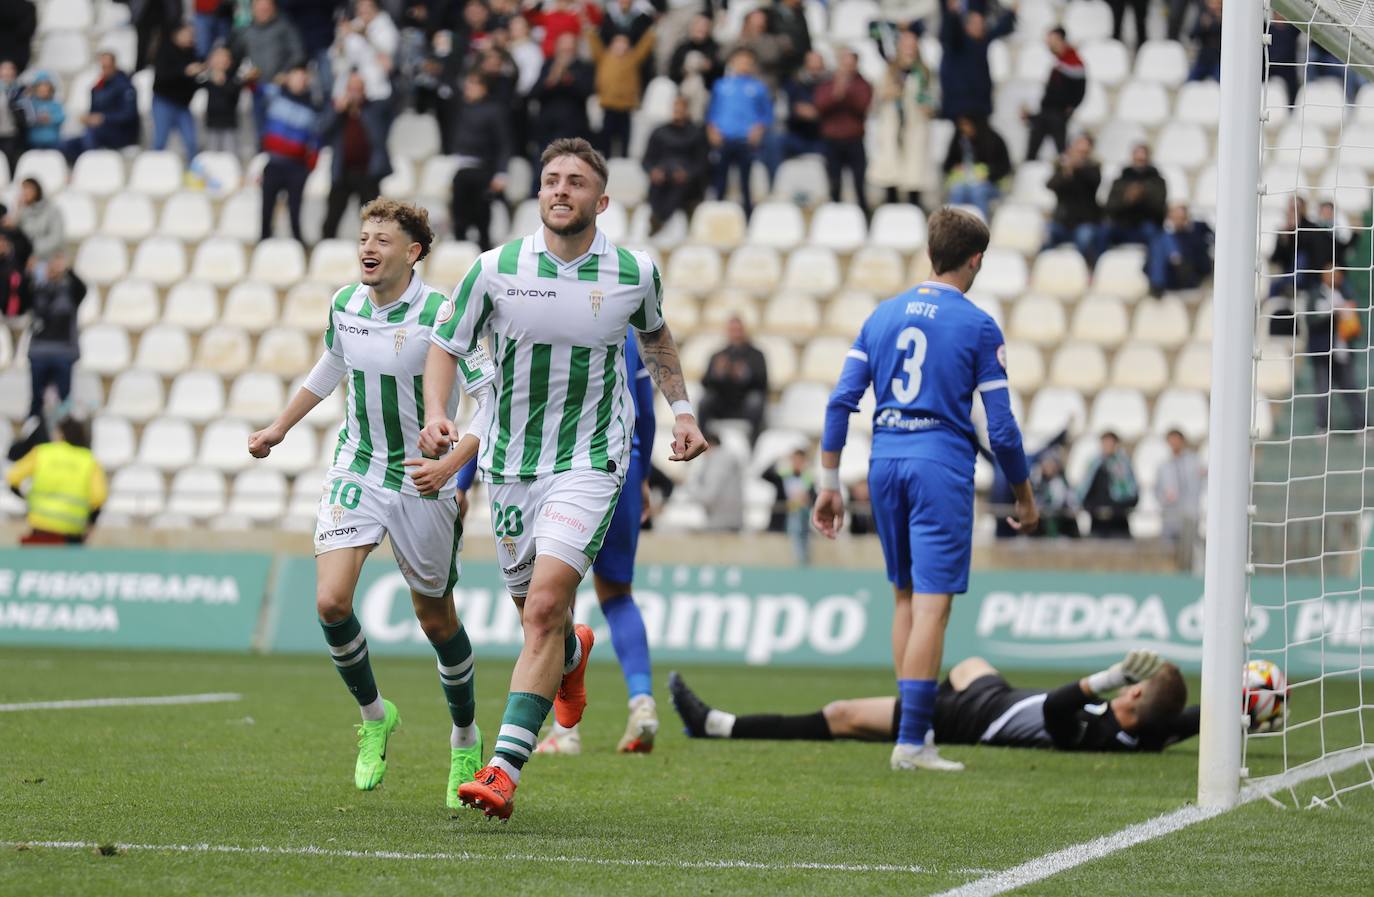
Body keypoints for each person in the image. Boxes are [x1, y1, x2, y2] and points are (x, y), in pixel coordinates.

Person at [421, 138, 706, 820]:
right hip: (510, 464)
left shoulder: (635, 271)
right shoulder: (495, 269)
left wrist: (684, 410)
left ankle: (502, 768)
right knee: (537, 617)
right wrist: (437, 414)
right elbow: (446, 344)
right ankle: (573, 660)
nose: (560, 189)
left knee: (546, 605)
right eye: (550, 179)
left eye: (576, 181)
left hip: (590, 460)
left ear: (600, 200)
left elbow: (657, 340)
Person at [248, 199, 497, 808]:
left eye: (382, 240)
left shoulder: (444, 313)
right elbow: (330, 365)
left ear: (412, 253)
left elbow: (489, 401)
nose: (368, 247)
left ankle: (465, 736)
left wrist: (452, 466)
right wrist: (279, 426)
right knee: (332, 602)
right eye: (363, 237)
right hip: (358, 467)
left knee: (436, 621)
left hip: (423, 479)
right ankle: (374, 716)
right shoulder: (345, 304)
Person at [813, 206, 1038, 773]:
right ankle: (912, 740)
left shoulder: (881, 317)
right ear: (976, 260)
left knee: (906, 599)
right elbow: (1003, 428)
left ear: (929, 253)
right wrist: (1025, 494)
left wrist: (828, 482)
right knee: (933, 609)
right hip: (939, 465)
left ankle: (917, 732)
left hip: (885, 460)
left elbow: (840, 402)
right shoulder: (979, 325)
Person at [669, 649, 1200, 752]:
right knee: (970, 663)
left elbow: (1058, 709)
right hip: (989, 693)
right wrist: (1250, 704)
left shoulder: (1095, 734)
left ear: (1132, 691)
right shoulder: (1152, 731)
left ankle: (717, 725)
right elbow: (1191, 718)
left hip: (966, 717)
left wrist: (1105, 675)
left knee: (841, 716)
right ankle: (915, 711)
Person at [535, 327, 662, 756]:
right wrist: (642, 476)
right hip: (625, 465)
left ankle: (564, 730)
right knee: (618, 595)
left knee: (554, 602)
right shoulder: (627, 324)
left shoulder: (547, 312)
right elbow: (645, 412)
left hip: (568, 470)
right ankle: (642, 703)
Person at [6, 417, 106, 546]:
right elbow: (98, 498)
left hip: (41, 529)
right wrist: (90, 524)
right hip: (72, 534)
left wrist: (26, 499)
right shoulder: (89, 461)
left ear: (61, 434)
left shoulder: (42, 452)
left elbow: (13, 477)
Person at [869, 28, 934, 208]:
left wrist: (926, 105)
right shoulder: (890, 71)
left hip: (915, 126)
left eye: (912, 45)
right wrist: (893, 91)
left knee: (914, 172)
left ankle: (914, 210)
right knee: (891, 172)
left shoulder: (924, 72)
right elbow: (879, 96)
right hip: (893, 125)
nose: (909, 49)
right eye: (905, 45)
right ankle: (891, 210)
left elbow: (932, 100)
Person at [320, 72, 391, 238]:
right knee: (331, 219)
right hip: (343, 171)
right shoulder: (337, 112)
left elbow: (393, 102)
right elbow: (321, 130)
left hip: (368, 173)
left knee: (374, 222)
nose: (354, 94)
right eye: (351, 89)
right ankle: (326, 248)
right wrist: (337, 111)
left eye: (358, 90)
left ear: (364, 91)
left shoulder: (373, 110)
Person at [707, 49, 773, 218]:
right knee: (720, 180)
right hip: (724, 139)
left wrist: (758, 129)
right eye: (740, 61)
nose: (744, 65)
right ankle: (717, 213)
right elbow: (712, 111)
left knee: (746, 182)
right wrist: (712, 129)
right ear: (733, 63)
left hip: (746, 140)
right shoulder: (721, 85)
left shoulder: (758, 87)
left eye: (747, 62)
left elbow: (766, 114)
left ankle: (747, 217)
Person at [259, 63, 320, 243]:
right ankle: (263, 243)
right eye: (296, 76)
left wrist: (310, 165)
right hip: (274, 163)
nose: (300, 81)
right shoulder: (275, 96)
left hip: (297, 167)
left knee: (295, 210)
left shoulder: (312, 107)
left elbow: (316, 139)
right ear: (288, 78)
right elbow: (254, 87)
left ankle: (298, 244)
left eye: (304, 77)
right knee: (266, 210)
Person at [449, 72, 510, 251]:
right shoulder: (461, 109)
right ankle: (460, 251)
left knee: (482, 217)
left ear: (483, 88)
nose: (468, 89)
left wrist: (501, 172)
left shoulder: (494, 110)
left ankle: (483, 252)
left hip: (483, 169)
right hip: (461, 168)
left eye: (473, 85)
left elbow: (504, 143)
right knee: (459, 217)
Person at [231, 0, 307, 143]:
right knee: (260, 128)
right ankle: (263, 157)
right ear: (253, 10)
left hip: (280, 87)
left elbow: (298, 53)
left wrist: (286, 73)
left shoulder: (284, 27)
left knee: (280, 130)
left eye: (266, 8)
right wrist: (244, 73)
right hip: (257, 88)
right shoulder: (246, 31)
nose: (263, 12)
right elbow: (235, 57)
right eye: (259, 8)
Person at [1305, 266, 1365, 436]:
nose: (1334, 278)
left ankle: (1361, 426)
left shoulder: (1346, 295)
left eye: (1337, 275)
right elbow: (1311, 319)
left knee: (1351, 389)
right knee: (1323, 390)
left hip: (1343, 350)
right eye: (1331, 274)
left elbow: (1356, 319)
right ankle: (1322, 427)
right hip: (1323, 352)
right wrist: (1332, 313)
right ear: (1323, 276)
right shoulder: (1315, 294)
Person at [25, 252, 84, 420]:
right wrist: (29, 272)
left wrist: (68, 271)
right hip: (39, 353)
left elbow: (82, 288)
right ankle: (34, 436)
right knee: (36, 401)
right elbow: (20, 296)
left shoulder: (70, 290)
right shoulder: (37, 289)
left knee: (64, 401)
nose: (51, 270)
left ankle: (64, 436)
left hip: (63, 353)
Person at [529, 32, 595, 184]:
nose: (566, 52)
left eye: (570, 48)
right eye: (563, 48)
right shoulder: (547, 65)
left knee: (572, 173)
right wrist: (551, 78)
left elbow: (586, 92)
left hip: (573, 131)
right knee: (541, 171)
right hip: (547, 130)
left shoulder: (584, 67)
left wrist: (568, 79)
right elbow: (534, 94)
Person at [815, 48, 873, 217]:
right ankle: (836, 217)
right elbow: (820, 106)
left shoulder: (862, 84)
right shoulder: (827, 84)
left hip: (854, 140)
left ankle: (863, 217)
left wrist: (846, 93)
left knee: (859, 184)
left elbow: (862, 106)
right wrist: (836, 94)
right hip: (832, 141)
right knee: (834, 183)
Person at [642, 94, 710, 234]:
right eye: (675, 108)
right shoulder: (659, 132)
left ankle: (659, 219)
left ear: (687, 110)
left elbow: (702, 163)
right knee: (658, 181)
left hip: (686, 182)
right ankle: (657, 217)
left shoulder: (696, 134)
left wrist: (688, 174)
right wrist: (653, 171)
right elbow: (647, 160)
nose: (677, 111)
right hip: (662, 177)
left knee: (678, 183)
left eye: (681, 108)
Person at [938, 0, 1016, 122]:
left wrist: (1013, 11)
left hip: (981, 105)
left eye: (981, 23)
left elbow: (1002, 28)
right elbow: (950, 29)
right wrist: (952, 12)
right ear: (967, 26)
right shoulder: (958, 43)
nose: (979, 26)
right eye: (975, 23)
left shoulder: (983, 41)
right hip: (960, 106)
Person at [586, 24, 656, 159]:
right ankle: (604, 161)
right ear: (612, 44)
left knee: (625, 139)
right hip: (608, 105)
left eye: (624, 43)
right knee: (606, 138)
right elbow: (595, 45)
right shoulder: (604, 57)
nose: (621, 46)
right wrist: (589, 31)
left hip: (626, 106)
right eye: (618, 42)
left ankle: (623, 163)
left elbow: (643, 47)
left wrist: (651, 33)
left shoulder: (632, 59)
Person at [698, 315, 769, 446]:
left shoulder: (756, 354)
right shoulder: (718, 355)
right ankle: (702, 441)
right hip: (723, 405)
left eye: (738, 330)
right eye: (732, 330)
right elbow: (705, 382)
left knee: (756, 401)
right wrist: (717, 374)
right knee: (705, 401)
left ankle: (753, 444)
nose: (736, 334)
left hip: (744, 405)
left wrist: (746, 375)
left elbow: (763, 383)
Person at [59, 52, 139, 164]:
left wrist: (104, 118)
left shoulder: (125, 86)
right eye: (102, 67)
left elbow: (129, 114)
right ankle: (77, 171)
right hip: (100, 132)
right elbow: (94, 113)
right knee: (66, 145)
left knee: (91, 134)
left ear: (115, 65)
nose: (105, 70)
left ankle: (92, 167)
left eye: (108, 66)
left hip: (121, 133)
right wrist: (88, 119)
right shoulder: (97, 87)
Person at [764, 49, 826, 181]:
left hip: (822, 136)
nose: (815, 67)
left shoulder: (830, 85)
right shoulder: (793, 84)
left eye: (817, 63)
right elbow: (783, 111)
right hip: (796, 135)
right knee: (774, 141)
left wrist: (818, 113)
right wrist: (796, 112)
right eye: (811, 63)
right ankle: (774, 184)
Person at [1024, 28, 1085, 162]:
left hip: (1059, 114)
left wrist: (1071, 107)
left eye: (1052, 40)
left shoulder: (1074, 62)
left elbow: (1080, 91)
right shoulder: (1055, 62)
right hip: (1045, 111)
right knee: (1032, 150)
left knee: (1061, 151)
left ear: (1061, 40)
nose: (1049, 44)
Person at [1097, 144, 1167, 257]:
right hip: (1122, 226)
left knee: (1154, 234)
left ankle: (1153, 271)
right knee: (1103, 232)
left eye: (1143, 158)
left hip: (1145, 226)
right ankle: (1096, 267)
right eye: (1137, 158)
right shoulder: (1119, 182)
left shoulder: (1158, 182)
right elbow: (1110, 208)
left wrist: (1142, 198)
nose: (1140, 161)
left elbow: (1159, 211)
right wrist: (1127, 200)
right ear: (1132, 158)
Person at [1044, 134, 1102, 262]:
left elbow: (1094, 181)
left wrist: (1077, 167)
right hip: (1063, 221)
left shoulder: (1093, 167)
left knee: (1084, 240)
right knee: (1046, 238)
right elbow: (1050, 184)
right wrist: (1066, 172)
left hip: (1084, 220)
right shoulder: (1062, 167)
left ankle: (1085, 268)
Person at [152, 22, 205, 157]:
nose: (190, 37)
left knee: (191, 142)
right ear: (176, 35)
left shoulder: (193, 53)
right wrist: (184, 71)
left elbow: (195, 82)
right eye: (187, 34)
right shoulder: (165, 51)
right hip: (164, 102)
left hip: (183, 105)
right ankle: (153, 171)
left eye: (192, 34)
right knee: (160, 141)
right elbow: (162, 76)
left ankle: (191, 174)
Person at [942, 115, 1011, 217]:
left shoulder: (994, 140)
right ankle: (953, 225)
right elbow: (947, 165)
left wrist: (988, 176)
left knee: (978, 192)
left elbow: (1005, 167)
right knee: (957, 191)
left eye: (967, 124)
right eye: (961, 125)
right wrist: (956, 166)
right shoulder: (959, 139)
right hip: (964, 182)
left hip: (991, 184)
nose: (964, 128)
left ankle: (980, 226)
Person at [1156, 429, 1204, 570]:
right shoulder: (1164, 466)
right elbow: (1157, 491)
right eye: (1171, 441)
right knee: (1170, 553)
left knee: (1188, 551)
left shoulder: (1194, 462)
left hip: (1189, 514)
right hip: (1170, 515)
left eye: (1176, 440)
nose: (1174, 444)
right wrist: (1165, 497)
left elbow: (1202, 484)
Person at [1146, 204, 1214, 296]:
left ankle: (1158, 282)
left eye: (1181, 218)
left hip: (1188, 275)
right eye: (1175, 218)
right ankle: (1159, 280)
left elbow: (1204, 265)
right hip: (1170, 274)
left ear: (1187, 218)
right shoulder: (1163, 238)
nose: (1178, 221)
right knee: (1161, 240)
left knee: (1162, 240)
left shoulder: (1196, 234)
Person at [1079, 431, 1138, 538]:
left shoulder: (1124, 465)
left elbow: (1132, 493)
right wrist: (1093, 508)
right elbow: (1085, 491)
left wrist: (1117, 507)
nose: (1108, 446)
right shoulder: (1094, 465)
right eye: (1105, 442)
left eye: (1111, 442)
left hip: (1119, 521)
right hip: (1098, 521)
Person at [683, 430, 745, 530]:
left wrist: (687, 486)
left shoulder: (718, 460)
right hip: (729, 521)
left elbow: (708, 496)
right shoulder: (725, 456)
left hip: (722, 524)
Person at [200, 45, 244, 155]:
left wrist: (222, 81)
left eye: (224, 57)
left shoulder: (234, 78)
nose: (220, 60)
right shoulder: (207, 78)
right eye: (216, 57)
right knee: (211, 155)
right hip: (211, 123)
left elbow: (233, 93)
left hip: (229, 124)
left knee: (230, 155)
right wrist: (208, 71)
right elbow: (194, 83)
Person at [13, 177, 64, 262]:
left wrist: (33, 252)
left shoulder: (52, 210)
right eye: (23, 189)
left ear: (37, 190)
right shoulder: (22, 211)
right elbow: (16, 236)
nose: (25, 192)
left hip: (47, 258)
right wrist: (18, 211)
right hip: (23, 256)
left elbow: (56, 239)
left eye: (28, 188)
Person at [1030, 449, 1079, 537]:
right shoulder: (1036, 482)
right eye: (1046, 463)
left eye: (1051, 463)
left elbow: (1072, 504)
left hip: (1061, 526)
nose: (1048, 466)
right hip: (1040, 528)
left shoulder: (1063, 483)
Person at [18, 71, 64, 151]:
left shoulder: (55, 104)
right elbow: (25, 118)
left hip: (52, 141)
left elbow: (62, 117)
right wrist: (36, 118)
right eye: (40, 87)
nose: (43, 90)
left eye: (46, 88)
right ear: (35, 89)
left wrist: (50, 118)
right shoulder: (30, 103)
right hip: (33, 142)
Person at [1188, 0, 1223, 82]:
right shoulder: (1203, 16)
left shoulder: (1226, 19)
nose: (1215, 5)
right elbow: (1192, 35)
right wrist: (1202, 25)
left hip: (1219, 59)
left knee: (1221, 83)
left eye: (1217, 3)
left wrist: (1214, 23)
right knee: (1190, 82)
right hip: (1204, 59)